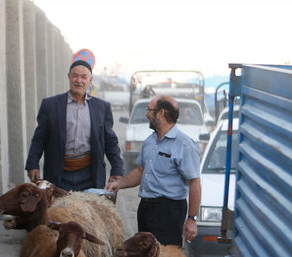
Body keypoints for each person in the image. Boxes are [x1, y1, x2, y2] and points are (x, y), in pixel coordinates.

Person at [105, 95, 201, 246]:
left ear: (160, 113)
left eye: (149, 110)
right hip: (146, 208)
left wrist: (192, 219)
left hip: (169, 211)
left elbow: (194, 182)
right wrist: (120, 183)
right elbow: (141, 170)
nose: (146, 114)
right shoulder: (150, 141)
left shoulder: (184, 144)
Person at [25, 60, 124, 191]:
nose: (79, 80)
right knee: (59, 211)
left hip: (90, 174)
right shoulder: (50, 105)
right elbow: (39, 139)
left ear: (90, 80)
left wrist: (117, 169)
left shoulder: (101, 108)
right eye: (75, 76)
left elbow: (110, 142)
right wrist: (32, 165)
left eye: (84, 77)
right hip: (58, 175)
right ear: (69, 77)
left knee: (89, 211)